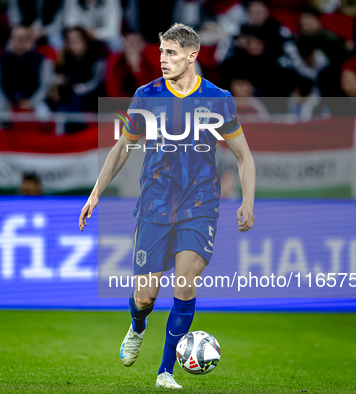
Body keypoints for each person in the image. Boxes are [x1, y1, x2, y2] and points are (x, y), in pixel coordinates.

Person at [78, 23, 256, 389]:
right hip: (155, 204)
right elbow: (123, 146)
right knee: (145, 296)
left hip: (201, 202)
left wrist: (248, 200)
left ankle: (165, 372)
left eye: (171, 53)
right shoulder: (146, 95)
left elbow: (244, 156)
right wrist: (96, 192)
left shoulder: (218, 98)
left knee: (185, 284)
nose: (163, 60)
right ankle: (137, 325)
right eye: (161, 53)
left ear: (193, 56)